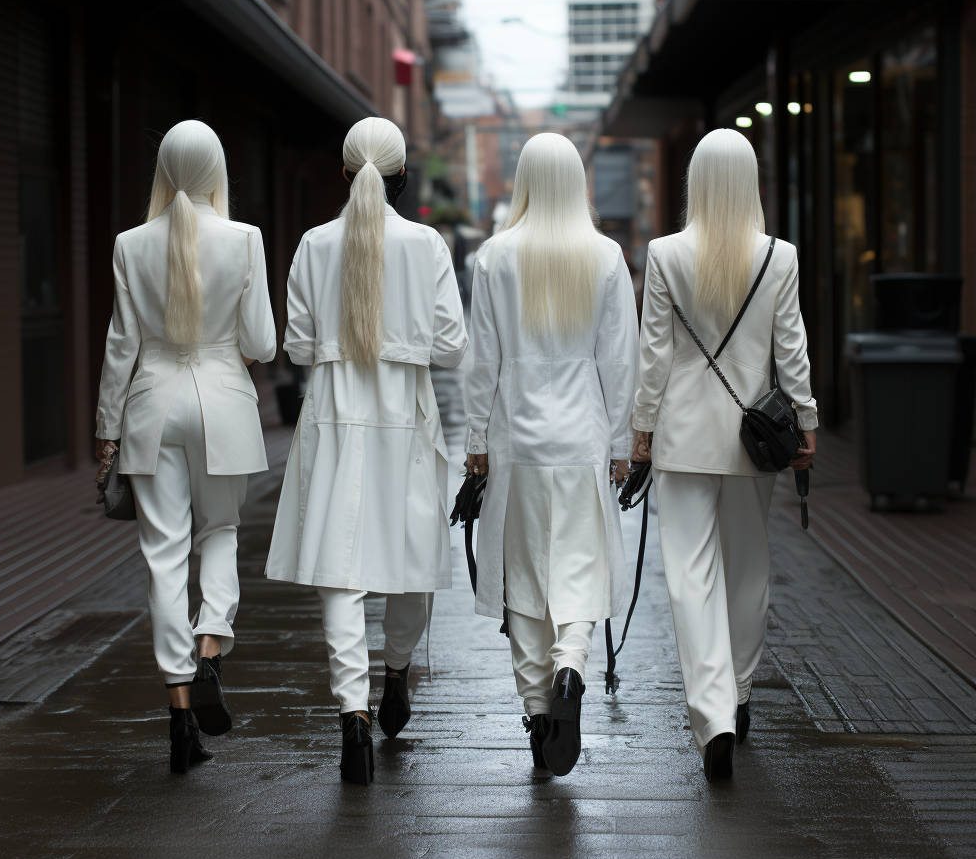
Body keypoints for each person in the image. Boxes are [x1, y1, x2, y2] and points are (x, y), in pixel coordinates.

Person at [265, 117, 469, 786]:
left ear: (345, 175)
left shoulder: (314, 245)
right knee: (410, 560)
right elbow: (450, 344)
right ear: (402, 177)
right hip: (406, 416)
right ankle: (397, 671)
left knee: (340, 570)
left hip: (332, 418)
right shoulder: (427, 245)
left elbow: (295, 348)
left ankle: (352, 714)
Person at [632, 127, 817, 782]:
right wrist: (808, 422)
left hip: (684, 437)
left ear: (695, 183)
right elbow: (790, 348)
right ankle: (737, 695)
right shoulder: (779, 257)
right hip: (756, 438)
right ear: (751, 183)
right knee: (749, 566)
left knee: (690, 576)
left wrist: (641, 428)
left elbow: (654, 354)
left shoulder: (664, 254)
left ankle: (710, 716)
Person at [95, 120, 276, 773]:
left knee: (163, 558)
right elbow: (261, 343)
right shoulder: (245, 239)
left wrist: (107, 428)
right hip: (223, 405)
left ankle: (178, 717)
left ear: (164, 171)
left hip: (149, 407)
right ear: (216, 170)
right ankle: (209, 652)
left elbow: (122, 344)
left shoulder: (129, 244)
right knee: (220, 533)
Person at [463, 133, 638, 777]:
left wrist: (475, 445)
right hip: (584, 439)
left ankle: (539, 713)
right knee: (580, 573)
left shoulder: (496, 257)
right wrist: (622, 444)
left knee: (526, 582)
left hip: (518, 443)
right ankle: (571, 672)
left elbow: (481, 364)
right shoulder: (606, 257)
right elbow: (621, 361)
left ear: (526, 181)